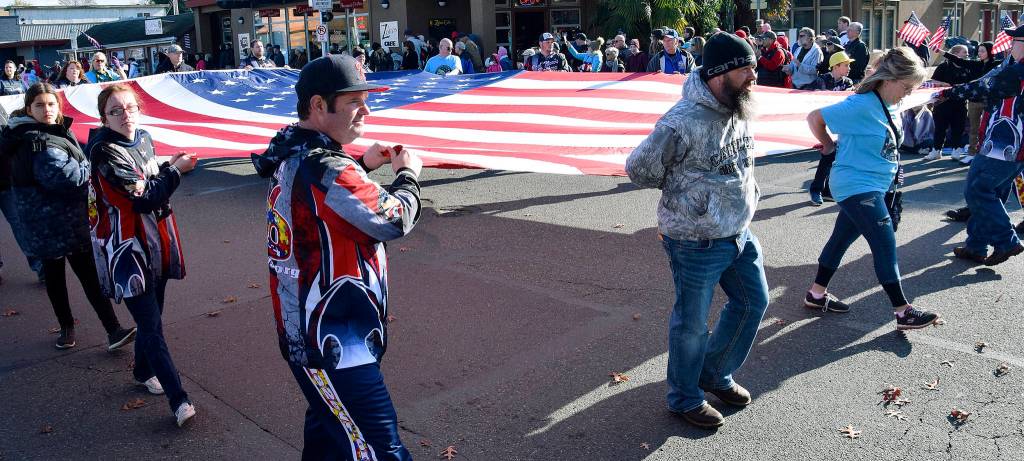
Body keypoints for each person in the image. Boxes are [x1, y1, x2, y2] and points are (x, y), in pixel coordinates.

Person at [250, 54, 422, 460]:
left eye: (366, 100)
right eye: (354, 102)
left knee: (328, 432)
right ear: (317, 105)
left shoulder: (294, 151)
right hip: (337, 339)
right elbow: (393, 219)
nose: (366, 111)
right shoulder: (324, 164)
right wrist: (408, 175)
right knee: (382, 448)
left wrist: (362, 164)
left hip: (308, 330)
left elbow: (321, 201)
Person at [625, 32, 768, 429]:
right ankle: (684, 398)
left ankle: (715, 373)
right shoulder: (681, 122)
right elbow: (639, 169)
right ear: (720, 74)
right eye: (746, 69)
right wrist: (689, 195)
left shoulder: (738, 105)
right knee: (691, 324)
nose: (754, 76)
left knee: (753, 303)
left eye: (754, 67)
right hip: (695, 241)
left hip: (738, 232)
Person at [86, 83, 199, 427]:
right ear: (103, 117)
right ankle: (179, 399)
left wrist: (167, 167)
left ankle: (141, 370)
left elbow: (150, 178)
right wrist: (176, 171)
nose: (125, 115)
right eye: (115, 111)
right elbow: (144, 197)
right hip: (126, 249)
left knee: (153, 317)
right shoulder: (104, 151)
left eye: (130, 107)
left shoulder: (144, 137)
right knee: (151, 325)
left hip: (156, 241)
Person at [804, 47, 941, 329]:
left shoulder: (890, 103)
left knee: (840, 240)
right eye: (907, 87)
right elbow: (815, 118)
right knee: (884, 243)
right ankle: (903, 311)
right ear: (889, 79)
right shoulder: (860, 105)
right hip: (856, 184)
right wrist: (828, 146)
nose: (908, 94)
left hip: (874, 185)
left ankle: (816, 294)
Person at [0, 83, 138, 350]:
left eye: (51, 104)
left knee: (75, 277)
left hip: (58, 222)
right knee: (66, 279)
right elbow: (67, 179)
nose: (47, 110)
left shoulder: (46, 132)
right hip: (55, 224)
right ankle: (88, 329)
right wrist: (91, 163)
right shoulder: (38, 141)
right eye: (40, 105)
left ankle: (98, 330)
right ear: (29, 109)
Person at [940, 25, 1024, 266]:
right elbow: (987, 82)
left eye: (1015, 41)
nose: (1010, 46)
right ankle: (976, 245)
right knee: (991, 192)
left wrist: (949, 93)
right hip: (1005, 142)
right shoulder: (1013, 67)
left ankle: (1006, 241)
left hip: (1005, 141)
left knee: (978, 191)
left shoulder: (1018, 71)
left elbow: (984, 87)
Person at [807, 52, 856, 206]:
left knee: (838, 159)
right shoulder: (822, 80)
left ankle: (827, 191)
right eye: (846, 65)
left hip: (840, 126)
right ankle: (816, 190)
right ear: (835, 66)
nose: (849, 68)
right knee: (828, 155)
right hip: (824, 125)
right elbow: (814, 101)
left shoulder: (848, 82)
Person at [926, 45, 973, 161]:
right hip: (943, 102)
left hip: (960, 103)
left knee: (958, 128)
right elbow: (932, 80)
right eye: (964, 52)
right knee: (940, 128)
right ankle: (936, 150)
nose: (967, 54)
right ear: (955, 54)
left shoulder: (967, 67)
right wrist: (943, 84)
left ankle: (956, 150)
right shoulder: (944, 66)